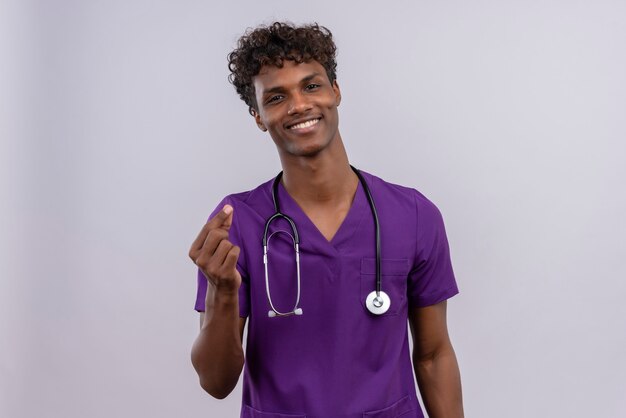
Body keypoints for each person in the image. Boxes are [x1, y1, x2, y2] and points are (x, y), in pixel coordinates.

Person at [189, 22, 464, 418]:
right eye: (277, 96)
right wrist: (223, 293)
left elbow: (435, 355)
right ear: (258, 116)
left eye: (312, 86)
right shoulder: (238, 223)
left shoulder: (413, 215)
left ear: (336, 92)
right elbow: (216, 383)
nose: (299, 105)